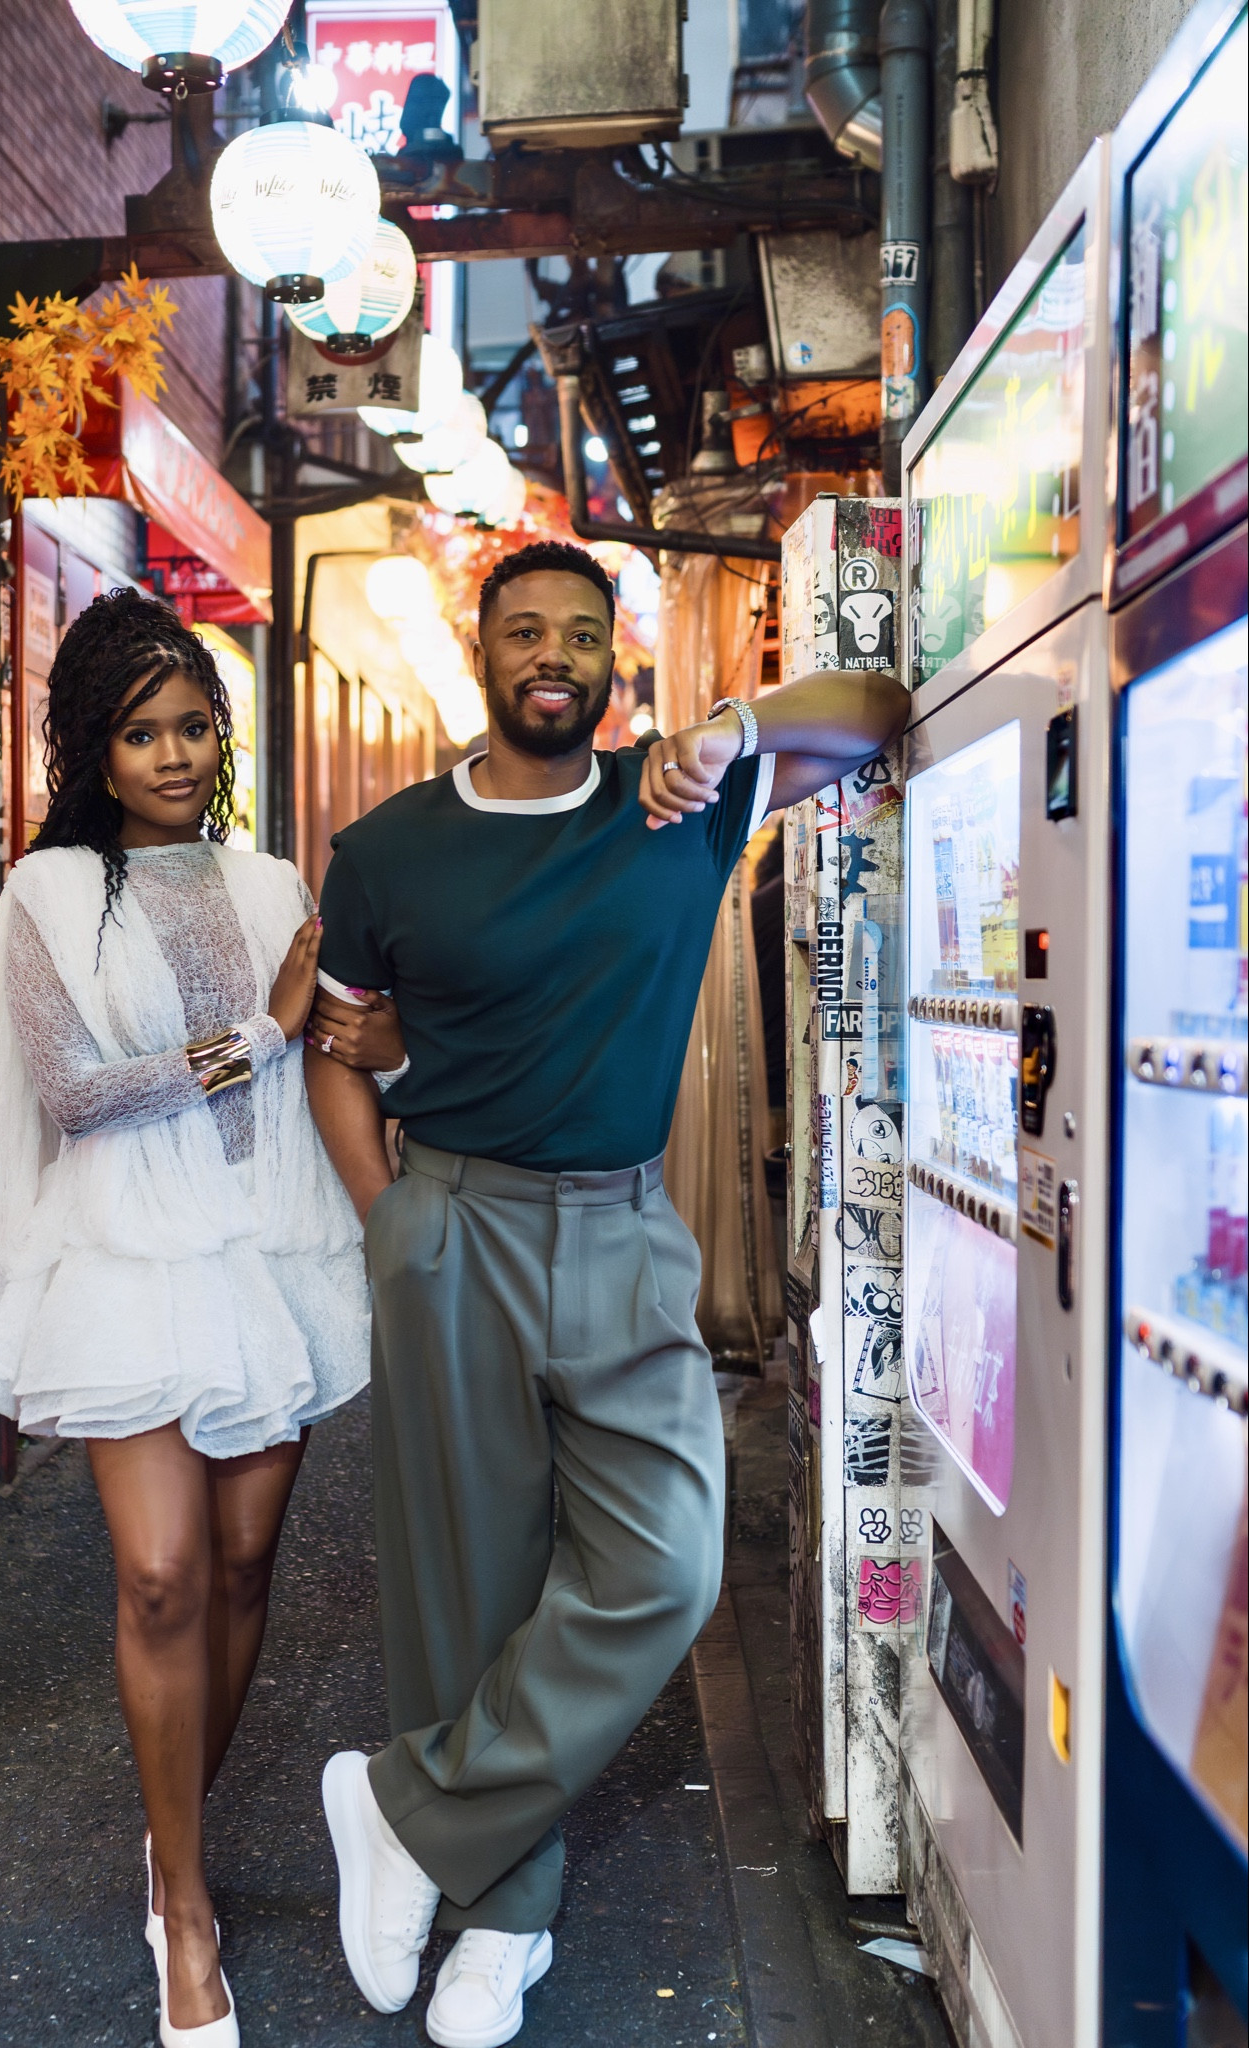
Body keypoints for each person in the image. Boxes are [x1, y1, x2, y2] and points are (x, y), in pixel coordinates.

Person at [304, 540, 907, 2047]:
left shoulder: (679, 804)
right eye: (525, 631)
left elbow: (878, 708)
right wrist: (393, 1226)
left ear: (612, 657)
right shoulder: (385, 851)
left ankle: (403, 1812)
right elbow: (336, 1050)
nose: (553, 656)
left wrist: (735, 726)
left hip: (627, 1234)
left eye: (582, 633)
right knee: (467, 1585)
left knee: (665, 1566)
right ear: (483, 652)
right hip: (454, 1224)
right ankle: (505, 1919)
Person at [0, 588, 403, 2047]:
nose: (171, 754)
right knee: (160, 1577)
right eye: (138, 731)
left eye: (193, 726)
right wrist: (259, 1032)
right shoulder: (48, 894)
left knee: (243, 1560)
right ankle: (192, 1911)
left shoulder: (276, 886)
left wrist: (371, 1039)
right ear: (91, 749)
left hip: (275, 1250)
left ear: (223, 736)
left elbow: (347, 1054)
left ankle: (173, 1852)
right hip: (132, 1258)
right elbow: (77, 1095)